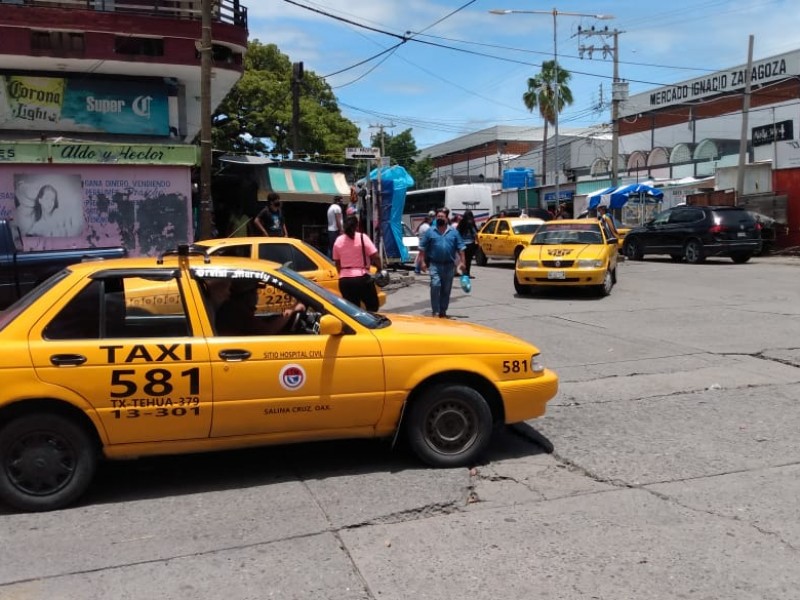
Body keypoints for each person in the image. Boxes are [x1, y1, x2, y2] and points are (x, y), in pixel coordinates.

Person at [215, 278, 305, 336]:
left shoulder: (233, 307)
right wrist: (291, 311)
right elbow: (267, 331)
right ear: (246, 294)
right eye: (255, 292)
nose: (257, 296)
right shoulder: (236, 311)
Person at [419, 209, 466, 318]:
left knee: (446, 289)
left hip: (449, 265)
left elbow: (461, 248)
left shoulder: (454, 232)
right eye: (438, 217)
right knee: (435, 285)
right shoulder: (430, 231)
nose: (440, 218)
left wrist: (462, 263)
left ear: (447, 218)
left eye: (442, 217)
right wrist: (422, 262)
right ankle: (435, 311)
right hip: (435, 264)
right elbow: (422, 248)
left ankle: (443, 311)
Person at [332, 215, 382, 311]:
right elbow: (376, 256)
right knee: (373, 307)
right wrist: (380, 268)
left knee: (353, 312)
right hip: (362, 278)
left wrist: (342, 274)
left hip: (345, 281)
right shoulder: (363, 238)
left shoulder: (338, 241)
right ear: (357, 226)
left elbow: (337, 262)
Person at [456, 209, 479, 278]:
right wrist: (478, 242)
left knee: (463, 259)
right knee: (468, 260)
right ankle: (467, 273)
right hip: (470, 244)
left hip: (462, 244)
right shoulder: (471, 223)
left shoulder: (461, 223)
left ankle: (464, 272)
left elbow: (457, 233)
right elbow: (475, 234)